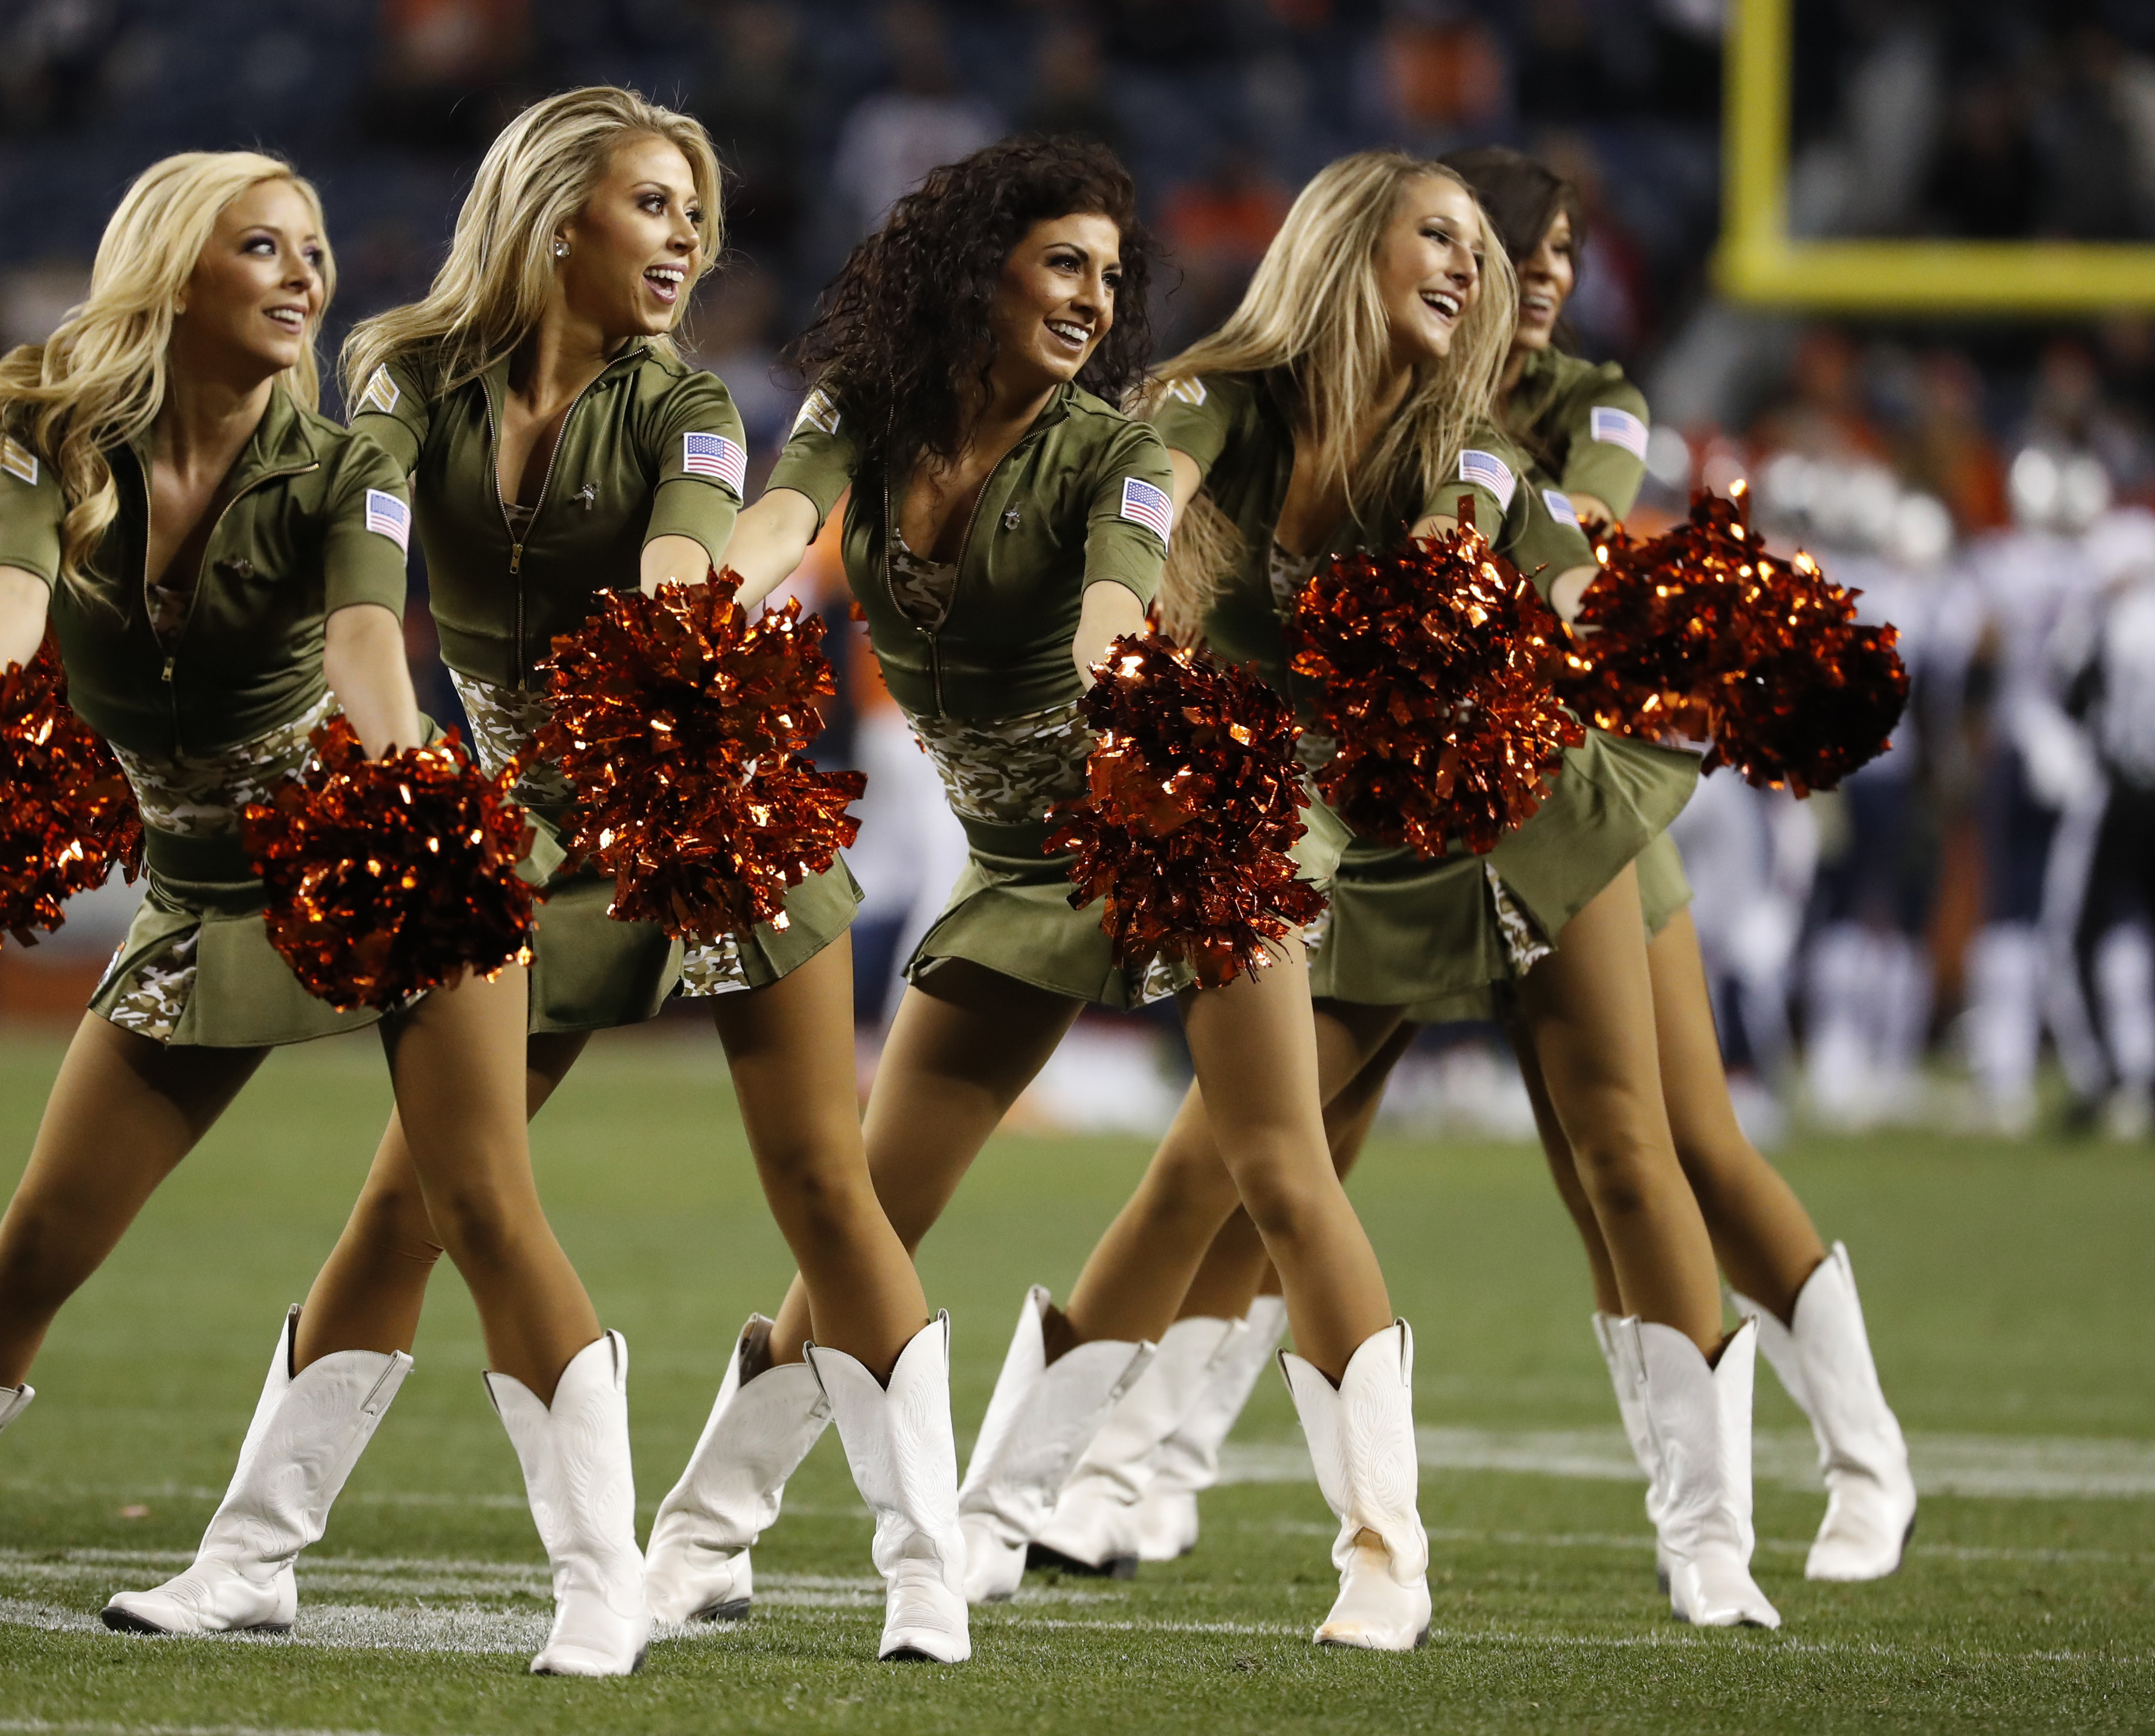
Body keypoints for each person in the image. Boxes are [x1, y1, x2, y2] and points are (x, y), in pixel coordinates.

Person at [101, 90, 967, 1668]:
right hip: (524, 834)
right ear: (558, 215)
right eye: (654, 205)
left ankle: (927, 1570)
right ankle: (249, 1561)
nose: (686, 240)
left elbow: (688, 546)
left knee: (826, 1192)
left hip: (707, 807)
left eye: (695, 215)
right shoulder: (405, 380)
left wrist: (682, 600)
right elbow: (367, 604)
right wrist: (403, 767)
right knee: (410, 1203)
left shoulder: (691, 402)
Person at [0, 152, 621, 1668]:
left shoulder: (352, 465)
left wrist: (416, 794)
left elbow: (363, 644)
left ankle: (602, 1590)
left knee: (482, 1214)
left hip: (379, 864)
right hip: (201, 898)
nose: (306, 276)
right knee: (37, 1246)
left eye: (317, 250)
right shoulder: (51, 436)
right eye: (264, 247)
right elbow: (5, 612)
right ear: (177, 271)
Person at [1050, 147, 1914, 1597]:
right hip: (1388, 824)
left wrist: (1682, 636)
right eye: (1515, 248)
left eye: (1542, 254)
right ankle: (1130, 1475)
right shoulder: (1329, 402)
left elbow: (1553, 557)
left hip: (1549, 803)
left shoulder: (1582, 409)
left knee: (1655, 1154)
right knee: (1257, 1149)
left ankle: (1856, 1467)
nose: (1539, 276)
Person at [645, 134, 1428, 1652]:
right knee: (867, 1205)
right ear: (974, 270)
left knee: (1278, 1167)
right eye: (1062, 263)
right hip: (1021, 862)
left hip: (1179, 817)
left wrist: (1117, 682)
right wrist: (694, 620)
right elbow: (773, 525)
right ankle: (702, 1534)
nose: (1090, 299)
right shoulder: (858, 415)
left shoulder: (1116, 452)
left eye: (1111, 278)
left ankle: (1385, 1554)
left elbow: (1121, 604)